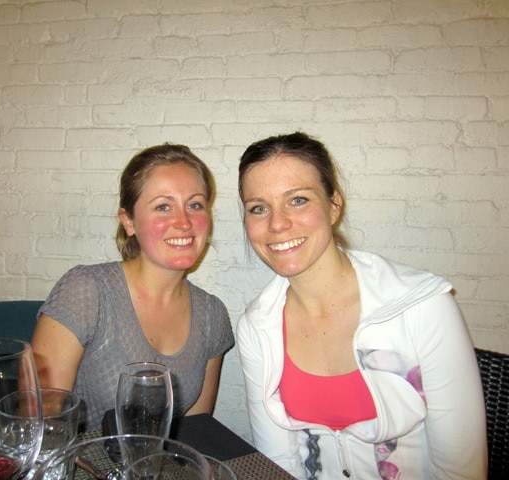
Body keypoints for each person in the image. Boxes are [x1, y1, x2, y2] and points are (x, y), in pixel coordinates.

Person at [236, 131, 487, 479]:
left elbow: (461, 471)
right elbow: (279, 463)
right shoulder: (257, 326)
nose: (277, 223)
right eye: (259, 208)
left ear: (333, 206)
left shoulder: (423, 307)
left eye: (298, 200)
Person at [32, 144, 234, 432]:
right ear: (129, 221)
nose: (184, 222)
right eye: (163, 207)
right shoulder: (87, 291)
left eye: (195, 205)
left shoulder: (213, 315)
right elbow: (40, 421)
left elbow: (195, 431)